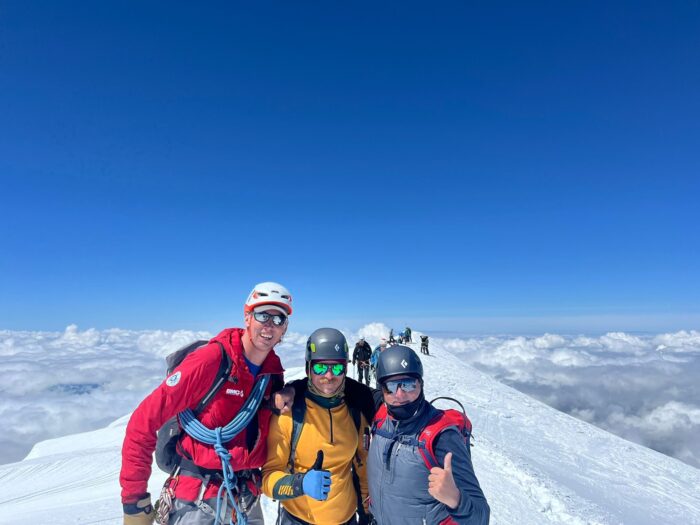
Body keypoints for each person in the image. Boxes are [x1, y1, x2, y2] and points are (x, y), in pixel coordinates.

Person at [121, 282, 294, 525]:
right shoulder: (212, 360)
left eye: (279, 319)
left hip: (245, 499)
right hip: (196, 500)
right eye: (263, 315)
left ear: (285, 327)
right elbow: (143, 421)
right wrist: (134, 501)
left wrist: (289, 392)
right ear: (247, 317)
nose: (270, 325)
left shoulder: (272, 373)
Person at [262, 328, 375, 525]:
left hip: (347, 519)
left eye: (337, 368)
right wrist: (300, 484)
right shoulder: (289, 414)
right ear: (308, 369)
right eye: (320, 368)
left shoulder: (354, 412)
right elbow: (268, 479)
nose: (329, 376)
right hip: (299, 519)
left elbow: (362, 468)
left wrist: (366, 513)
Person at [368, 346, 490, 525]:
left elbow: (481, 516)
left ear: (421, 384)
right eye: (391, 386)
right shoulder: (380, 417)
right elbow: (346, 388)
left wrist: (456, 499)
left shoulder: (441, 436)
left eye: (408, 384)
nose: (400, 394)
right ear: (382, 389)